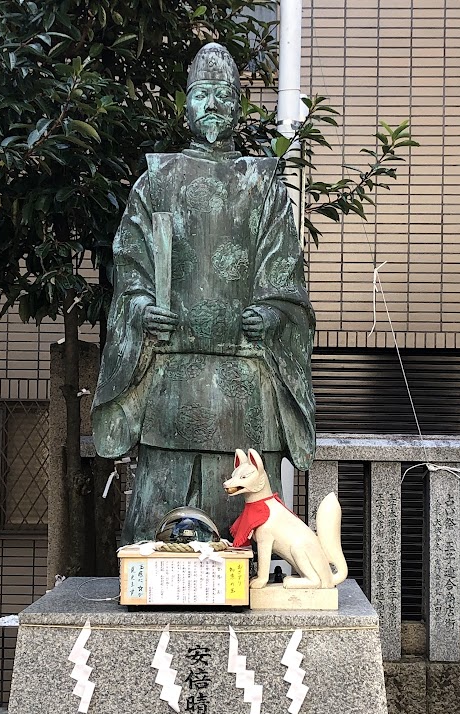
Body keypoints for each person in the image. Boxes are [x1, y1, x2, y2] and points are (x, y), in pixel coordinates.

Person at [91, 43, 315, 544]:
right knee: (157, 514)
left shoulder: (264, 185)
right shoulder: (155, 181)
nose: (211, 104)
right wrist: (143, 309)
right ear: (185, 106)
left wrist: (272, 313)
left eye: (222, 95)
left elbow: (286, 278)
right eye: (200, 95)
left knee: (245, 516)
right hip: (171, 378)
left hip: (246, 385)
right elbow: (131, 266)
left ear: (238, 105)